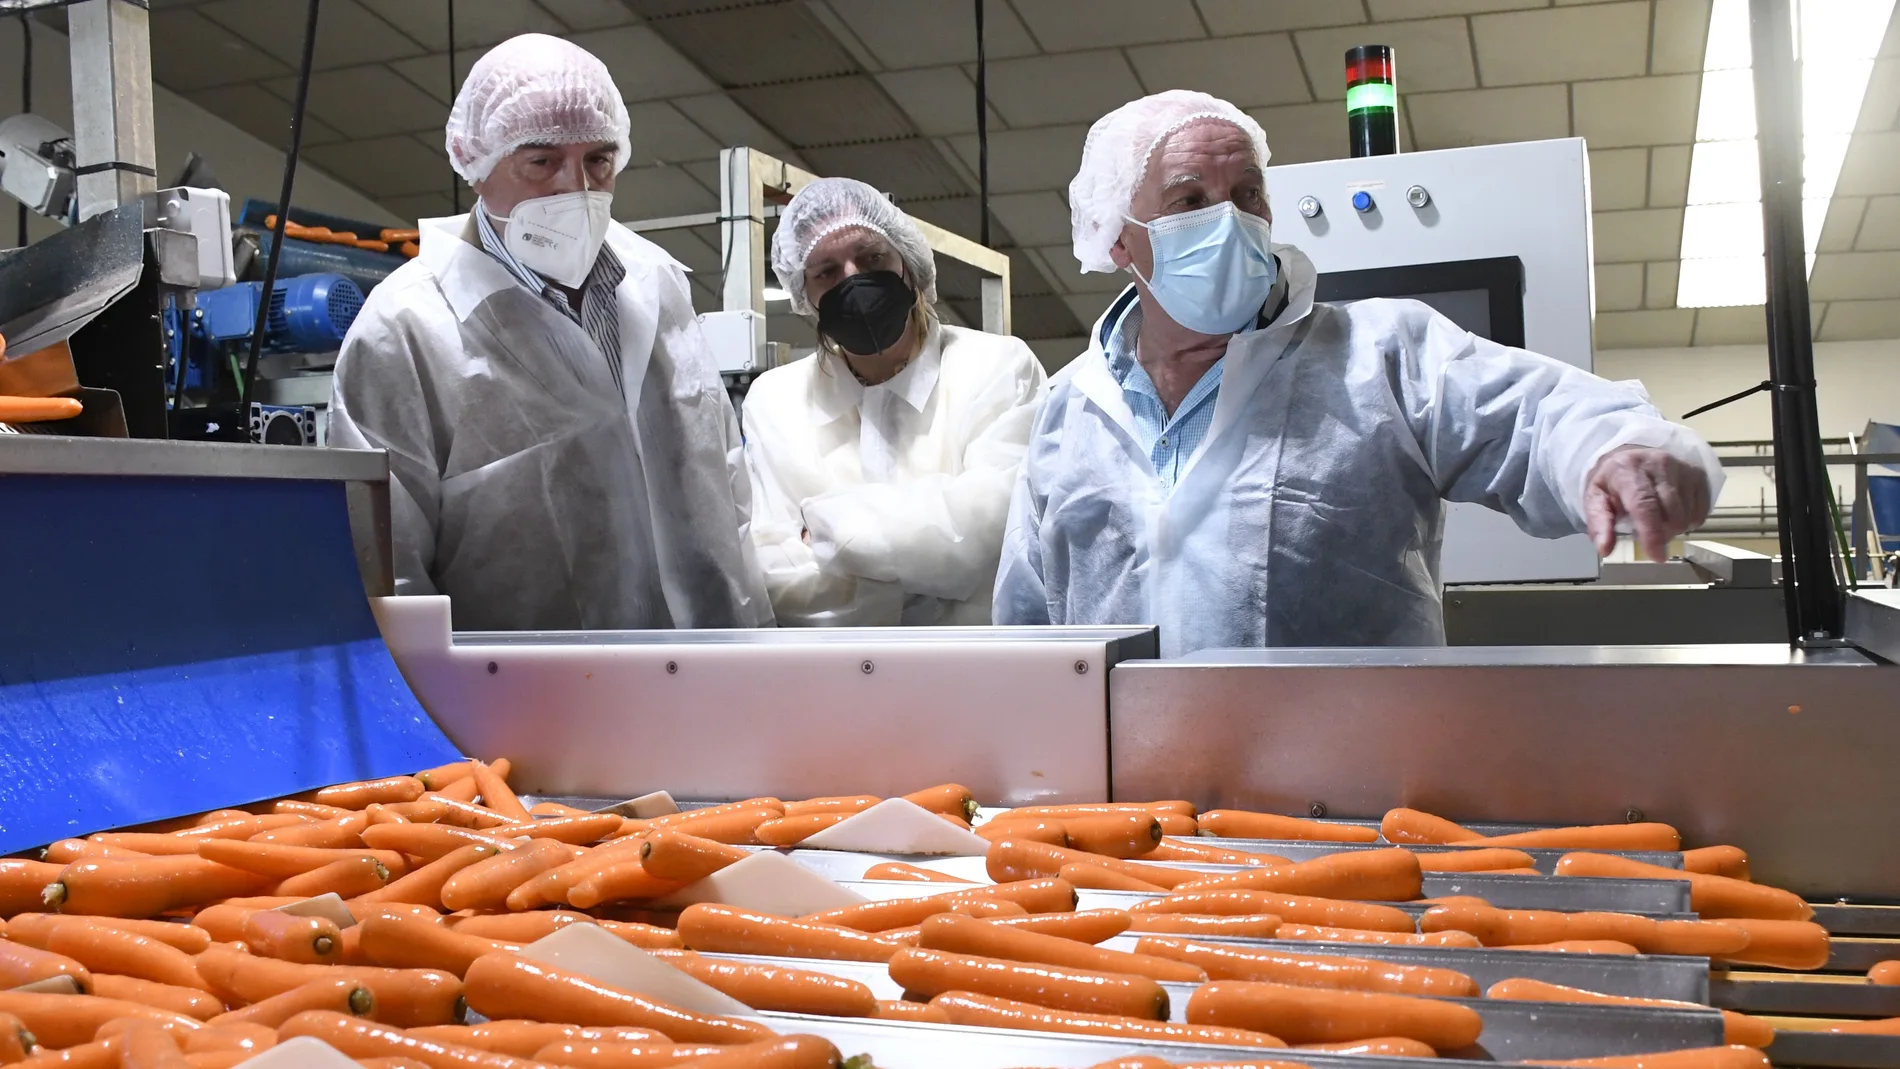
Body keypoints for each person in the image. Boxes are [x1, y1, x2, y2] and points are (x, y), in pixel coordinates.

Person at [994, 90, 1724, 655]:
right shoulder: (1068, 410)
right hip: (1134, 816)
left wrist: (1615, 450)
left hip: (1357, 801)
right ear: (1120, 239)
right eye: (1190, 200)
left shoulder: (1379, 352)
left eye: (1247, 194)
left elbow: (1533, 413)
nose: (1231, 219)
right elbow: (1026, 632)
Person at [328, 34, 771, 631]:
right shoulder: (403, 329)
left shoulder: (658, 283)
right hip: (519, 704)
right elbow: (386, 572)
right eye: (541, 162)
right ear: (475, 163)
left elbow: (725, 481)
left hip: (701, 679)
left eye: (599, 160)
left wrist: (752, 646)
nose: (575, 188)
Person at [742, 177, 1047, 625]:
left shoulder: (996, 368)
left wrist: (824, 529)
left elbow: (984, 538)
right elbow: (769, 575)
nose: (854, 279)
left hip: (974, 676)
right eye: (826, 271)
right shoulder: (776, 401)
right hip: (833, 683)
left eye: (872, 257)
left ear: (908, 264)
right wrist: (919, 572)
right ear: (804, 295)